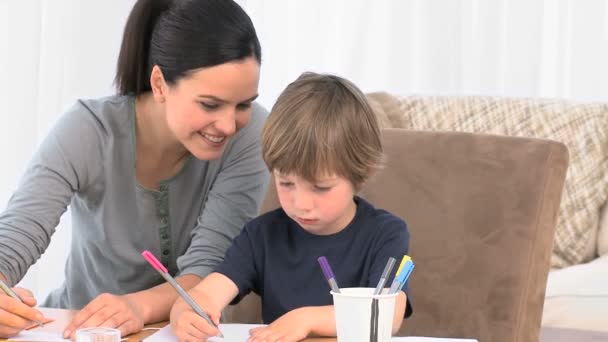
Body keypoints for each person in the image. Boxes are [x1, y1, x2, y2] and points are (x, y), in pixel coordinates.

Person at [0, 0, 268, 339]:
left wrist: (138, 307)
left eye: (243, 103)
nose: (229, 124)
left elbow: (212, 266)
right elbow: (14, 240)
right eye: (210, 104)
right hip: (80, 329)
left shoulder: (252, 134)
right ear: (159, 84)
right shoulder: (88, 131)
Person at [170, 72, 413, 342]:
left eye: (320, 187)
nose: (301, 204)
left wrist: (306, 319)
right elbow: (207, 293)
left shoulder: (385, 233)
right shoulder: (261, 235)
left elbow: (389, 315)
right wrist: (187, 312)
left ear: (361, 174)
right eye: (285, 183)